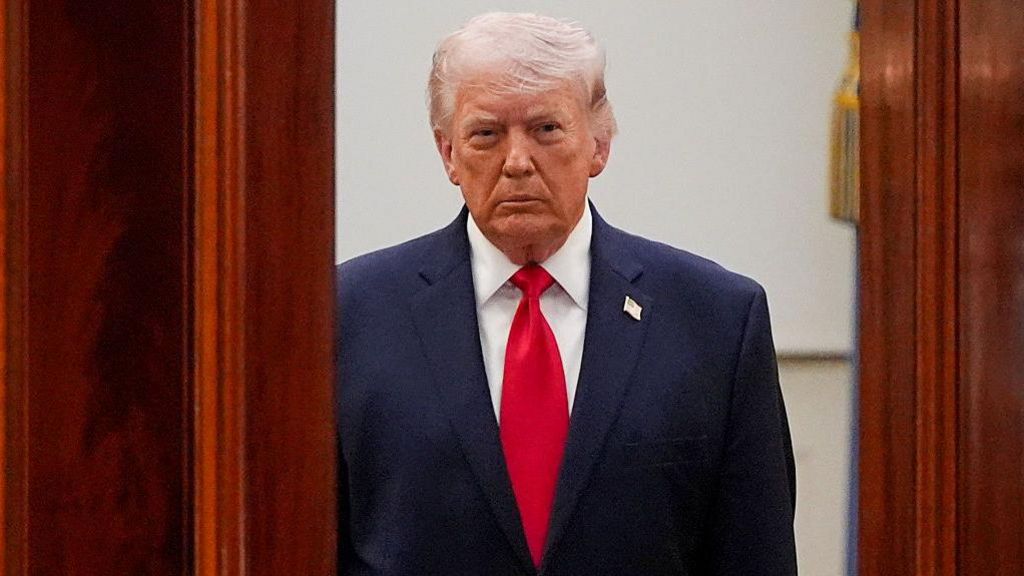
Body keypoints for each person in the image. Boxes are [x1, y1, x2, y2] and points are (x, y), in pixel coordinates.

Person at [336, 12, 796, 575]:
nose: (518, 162)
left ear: (599, 145)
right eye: (486, 134)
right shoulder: (350, 315)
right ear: (448, 154)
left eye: (546, 129)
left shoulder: (717, 321)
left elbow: (756, 552)